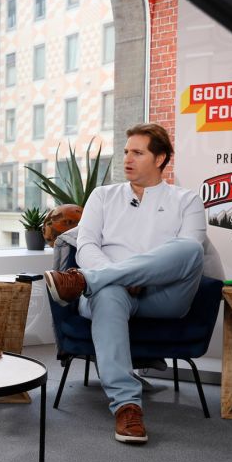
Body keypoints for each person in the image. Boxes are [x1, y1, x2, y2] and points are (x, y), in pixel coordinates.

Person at [43, 123, 207, 445]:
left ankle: (85, 281)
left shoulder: (186, 201)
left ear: (160, 159)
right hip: (112, 294)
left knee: (191, 249)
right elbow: (86, 246)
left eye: (138, 153)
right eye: (126, 152)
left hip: (165, 296)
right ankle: (127, 406)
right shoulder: (103, 196)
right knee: (109, 293)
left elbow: (187, 256)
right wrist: (119, 277)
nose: (128, 159)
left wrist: (121, 275)